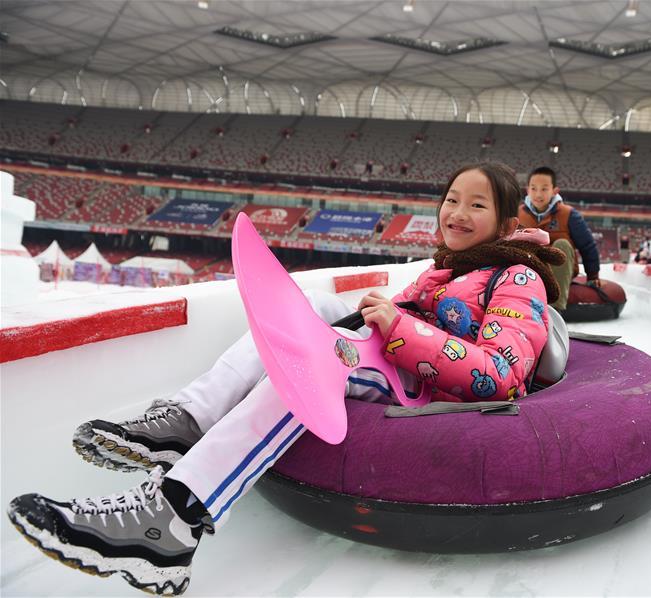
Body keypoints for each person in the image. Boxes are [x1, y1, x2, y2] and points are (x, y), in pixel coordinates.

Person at [6, 162, 565, 596]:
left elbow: (500, 375)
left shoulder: (516, 275)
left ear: (509, 223)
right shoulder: (443, 269)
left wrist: (400, 327)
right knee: (308, 310)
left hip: (434, 395)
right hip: (399, 368)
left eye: (476, 204)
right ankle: (186, 418)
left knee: (310, 366)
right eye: (450, 200)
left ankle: (170, 523)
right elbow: (410, 325)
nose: (457, 213)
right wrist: (386, 313)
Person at [518, 166, 600, 311]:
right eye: (534, 188)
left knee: (562, 243)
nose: (538, 194)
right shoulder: (517, 214)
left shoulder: (569, 215)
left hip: (558, 271)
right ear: (527, 190)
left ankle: (555, 310)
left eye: (544, 189)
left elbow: (587, 245)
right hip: (529, 270)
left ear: (554, 191)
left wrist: (592, 275)